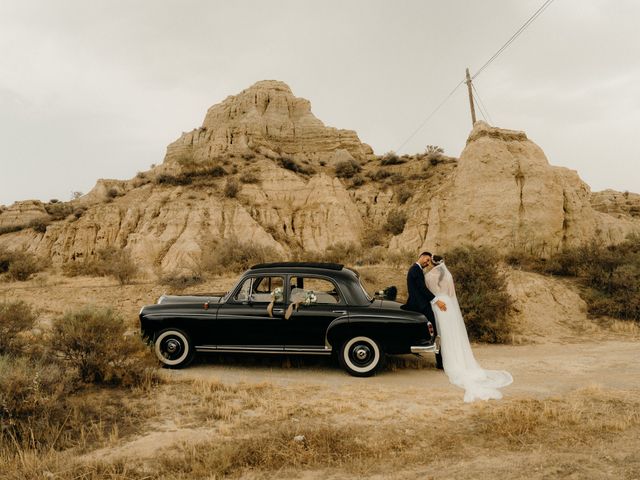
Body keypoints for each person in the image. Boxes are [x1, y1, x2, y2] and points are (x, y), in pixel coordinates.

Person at [425, 255, 513, 402]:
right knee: (452, 333)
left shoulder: (428, 276)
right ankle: (458, 359)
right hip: (448, 304)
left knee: (442, 334)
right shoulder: (448, 275)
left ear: (432, 264)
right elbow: (452, 294)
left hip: (437, 304)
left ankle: (445, 360)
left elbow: (428, 293)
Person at [403, 252, 446, 369]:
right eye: (426, 260)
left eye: (428, 261)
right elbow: (422, 289)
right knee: (436, 332)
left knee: (433, 331)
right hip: (421, 306)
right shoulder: (415, 270)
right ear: (421, 257)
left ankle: (439, 361)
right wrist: (437, 301)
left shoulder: (416, 269)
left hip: (420, 304)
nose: (427, 263)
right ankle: (440, 363)